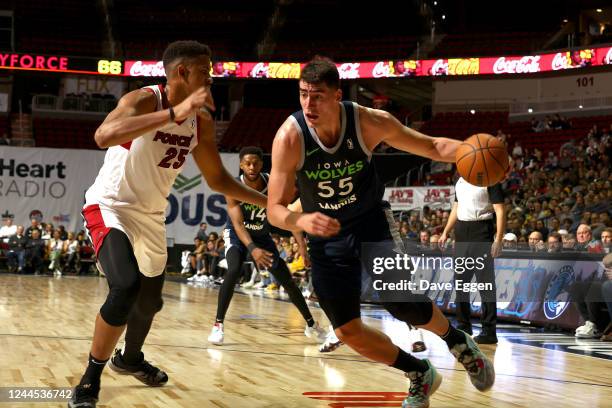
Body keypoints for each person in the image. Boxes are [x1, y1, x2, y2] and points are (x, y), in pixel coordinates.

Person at [266, 59, 494, 408]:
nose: (308, 104)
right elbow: (275, 210)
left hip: (370, 220)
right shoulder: (290, 137)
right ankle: (419, 372)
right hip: (325, 235)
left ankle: (457, 341)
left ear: (337, 95)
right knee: (346, 330)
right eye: (303, 95)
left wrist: (470, 152)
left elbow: (431, 147)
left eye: (317, 96)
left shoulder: (368, 122)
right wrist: (300, 221)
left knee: (403, 303)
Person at [69, 41, 267, 408]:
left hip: (151, 215)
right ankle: (89, 381)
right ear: (182, 72)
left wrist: (271, 203)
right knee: (124, 286)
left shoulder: (201, 121)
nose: (211, 77)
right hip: (110, 206)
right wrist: (173, 113)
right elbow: (102, 136)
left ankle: (129, 360)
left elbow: (219, 180)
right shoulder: (143, 100)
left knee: (151, 302)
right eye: (206, 71)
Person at [208, 146, 327, 346]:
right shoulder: (234, 186)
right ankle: (218, 325)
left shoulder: (273, 183)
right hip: (237, 235)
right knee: (235, 268)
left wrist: (303, 249)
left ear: (262, 164)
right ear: (241, 165)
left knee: (286, 279)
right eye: (247, 163)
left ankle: (311, 325)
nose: (252, 167)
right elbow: (237, 224)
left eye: (255, 163)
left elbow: (290, 217)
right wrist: (252, 248)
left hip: (262, 236)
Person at [439, 178, 506, 344]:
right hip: (461, 232)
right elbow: (456, 206)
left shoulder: (491, 179)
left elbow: (500, 210)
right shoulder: (460, 181)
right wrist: (446, 231)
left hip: (481, 230)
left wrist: (498, 239)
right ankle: (463, 325)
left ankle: (489, 331)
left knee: (486, 285)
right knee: (461, 283)